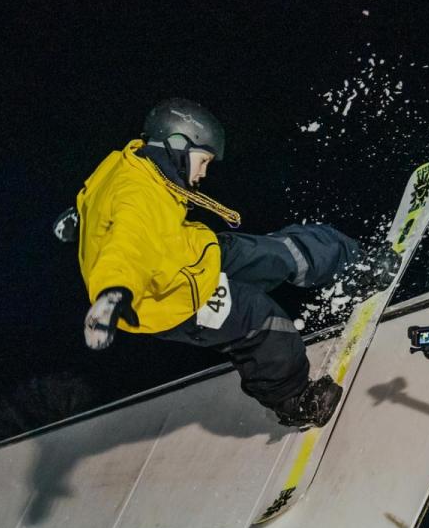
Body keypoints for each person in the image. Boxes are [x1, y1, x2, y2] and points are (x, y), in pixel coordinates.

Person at [69, 98, 387, 428]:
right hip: (172, 298)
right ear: (178, 145)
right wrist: (112, 296)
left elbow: (93, 191)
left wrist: (76, 219)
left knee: (277, 252)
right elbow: (124, 250)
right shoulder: (137, 199)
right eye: (202, 161)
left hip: (192, 252)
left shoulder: (134, 159)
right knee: (260, 321)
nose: (204, 172)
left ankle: (355, 268)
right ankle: (295, 402)